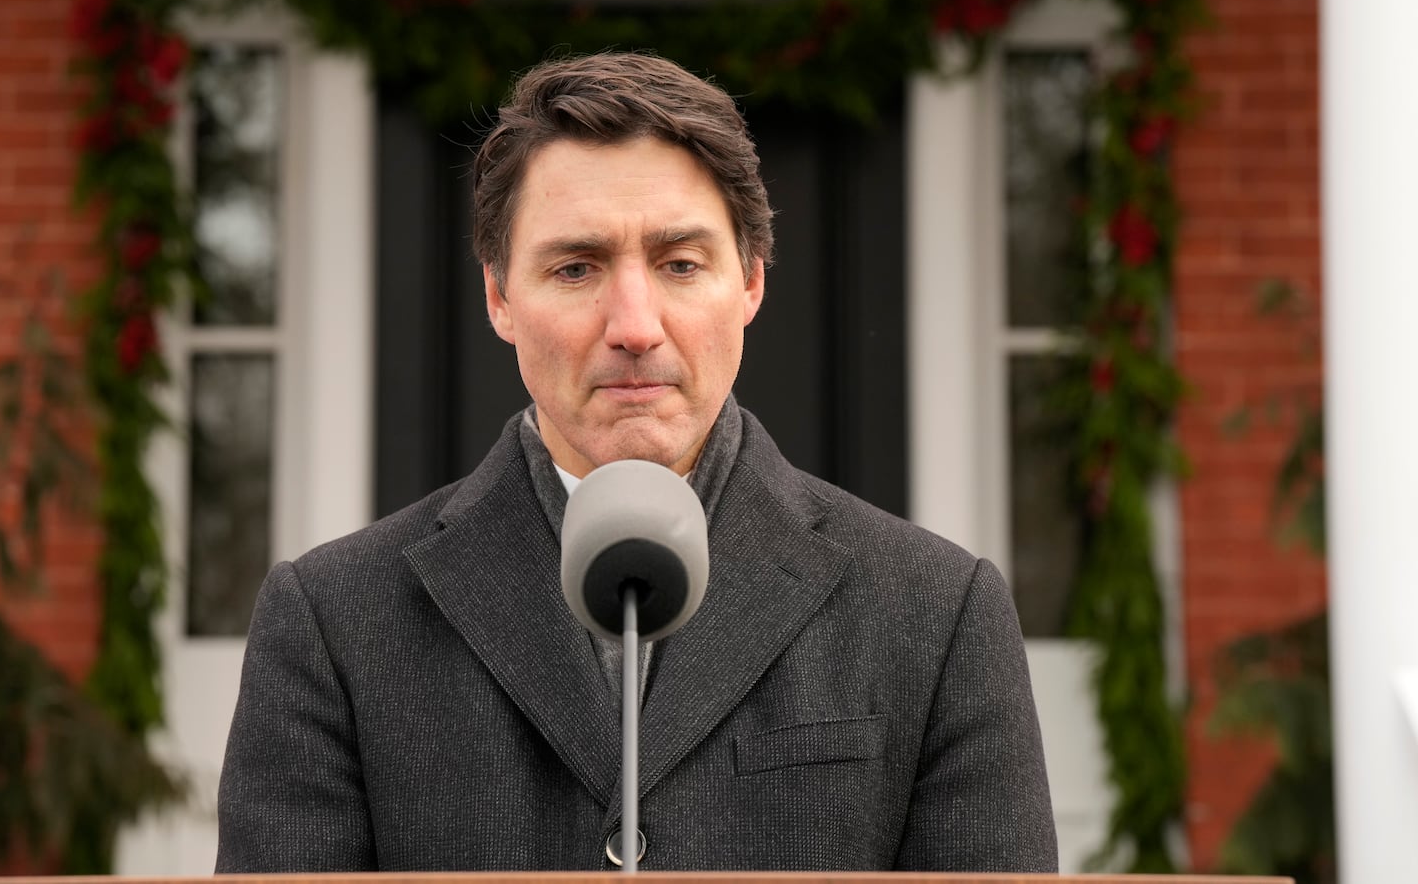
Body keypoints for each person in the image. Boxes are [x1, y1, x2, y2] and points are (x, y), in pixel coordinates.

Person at [215, 52, 1057, 872]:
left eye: (680, 263)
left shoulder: (940, 613)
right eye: (576, 266)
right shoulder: (331, 622)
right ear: (499, 296)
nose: (635, 324)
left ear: (753, 281)